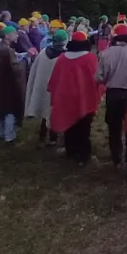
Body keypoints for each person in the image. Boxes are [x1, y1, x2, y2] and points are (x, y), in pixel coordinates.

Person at [47, 31, 103, 165]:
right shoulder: (90, 58)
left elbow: (55, 80)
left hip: (66, 98)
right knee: (84, 127)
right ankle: (84, 156)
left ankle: (71, 150)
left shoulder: (62, 58)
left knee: (69, 125)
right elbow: (96, 78)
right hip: (84, 97)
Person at [97, 23, 127, 168]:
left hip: (112, 94)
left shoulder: (105, 54)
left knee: (114, 127)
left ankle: (116, 157)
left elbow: (99, 77)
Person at [25, 28, 68, 146]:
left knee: (45, 113)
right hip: (56, 90)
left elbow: (34, 71)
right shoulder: (65, 56)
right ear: (64, 41)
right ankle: (53, 139)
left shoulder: (43, 53)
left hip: (43, 88)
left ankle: (42, 136)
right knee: (54, 113)